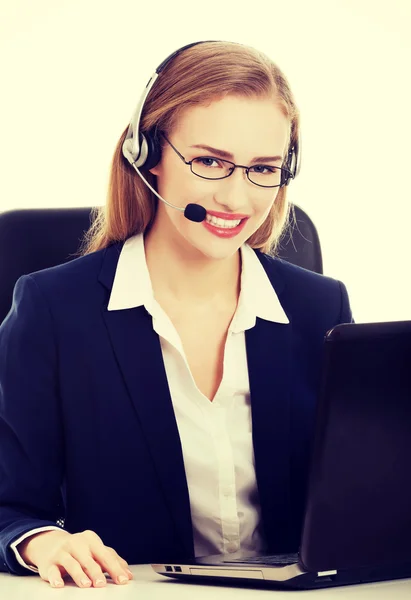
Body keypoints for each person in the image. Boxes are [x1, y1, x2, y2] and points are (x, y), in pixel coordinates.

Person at [0, 40, 353, 589]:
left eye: (263, 168)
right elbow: (7, 505)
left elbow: (357, 494)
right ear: (148, 154)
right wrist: (41, 539)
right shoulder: (53, 313)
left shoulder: (320, 309)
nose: (237, 199)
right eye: (210, 161)